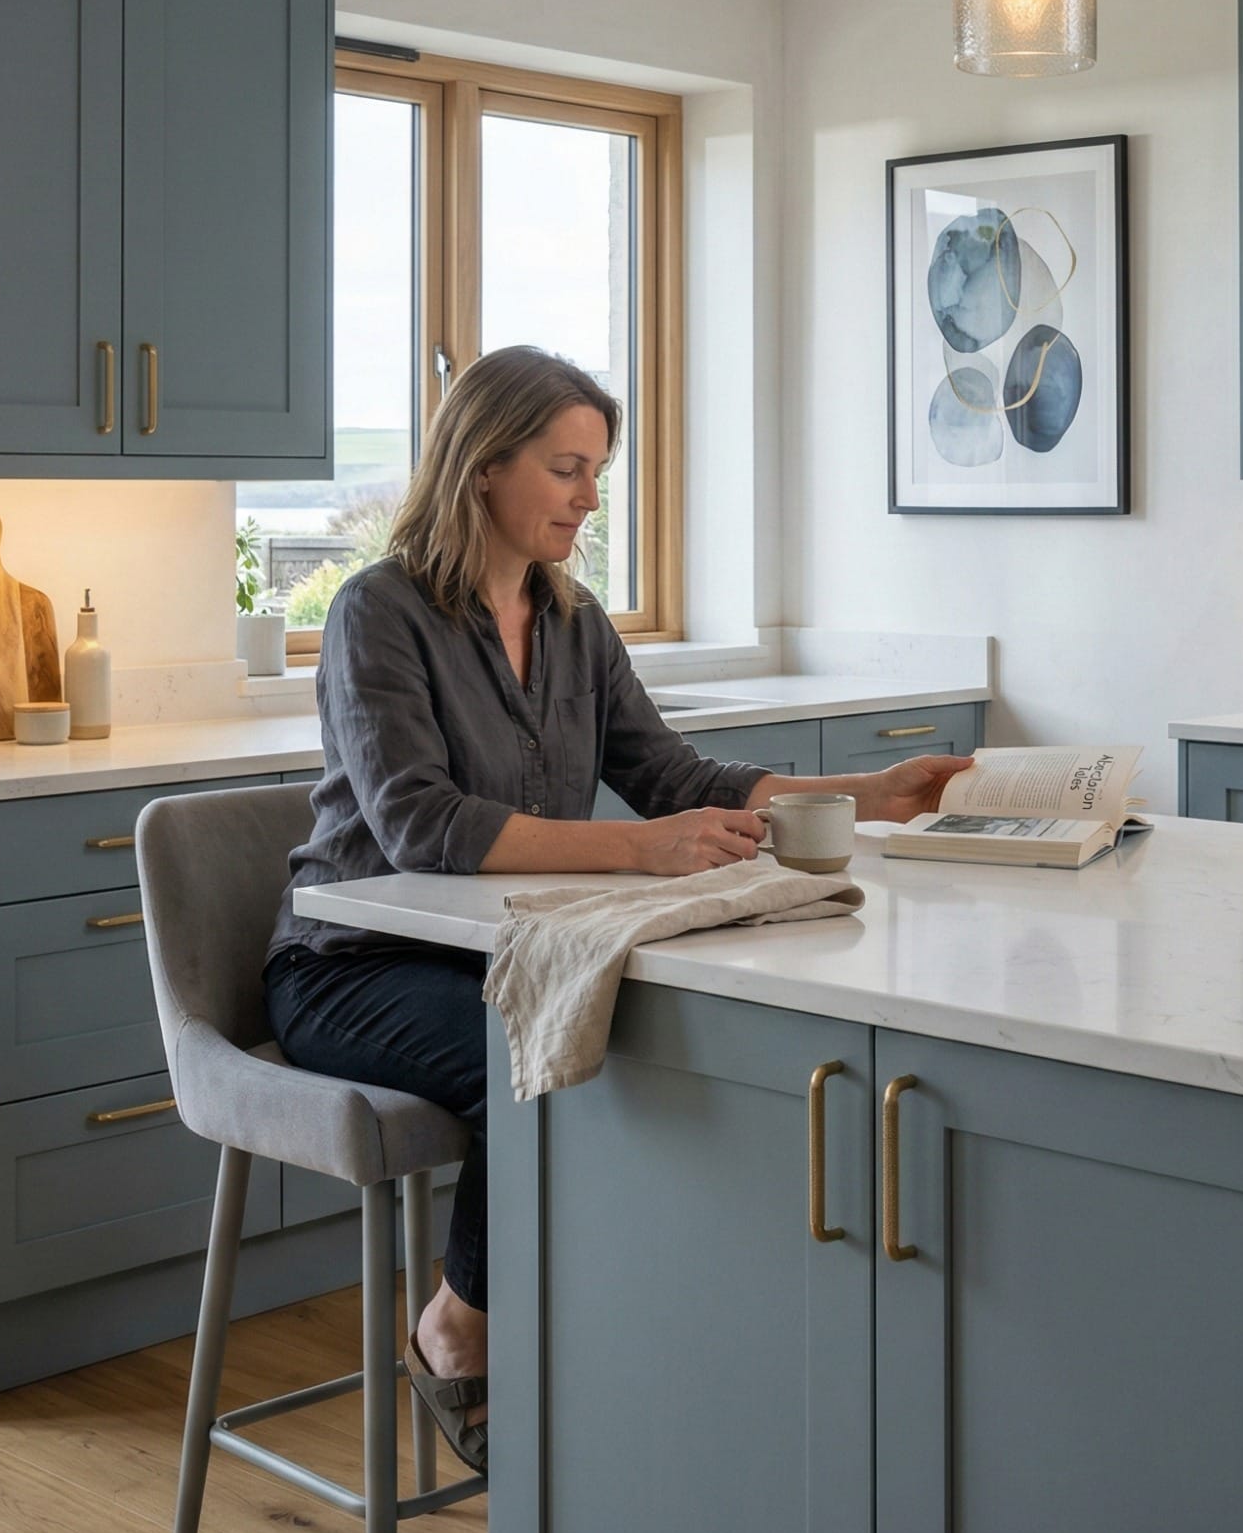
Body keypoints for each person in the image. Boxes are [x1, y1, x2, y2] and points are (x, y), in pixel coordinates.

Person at [264, 346, 969, 1474]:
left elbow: (671, 774)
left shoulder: (576, 621)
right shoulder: (376, 612)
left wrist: (867, 798)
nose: (591, 496)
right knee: (535, 1056)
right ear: (481, 463)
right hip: (352, 965)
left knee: (628, 1045)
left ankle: (606, 1340)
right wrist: (639, 851)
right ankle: (459, 1323)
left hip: (503, 949)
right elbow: (420, 825)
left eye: (597, 469)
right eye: (567, 467)